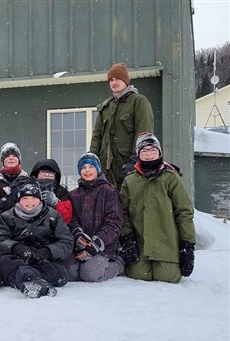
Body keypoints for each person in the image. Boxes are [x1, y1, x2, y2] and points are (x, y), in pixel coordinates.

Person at [119, 133, 195, 283]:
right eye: (144, 151)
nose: (149, 154)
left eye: (152, 150)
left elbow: (184, 212)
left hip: (166, 243)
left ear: (159, 152)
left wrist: (187, 245)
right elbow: (123, 212)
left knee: (168, 276)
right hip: (140, 243)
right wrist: (127, 239)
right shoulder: (130, 180)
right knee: (138, 274)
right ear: (138, 154)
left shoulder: (170, 177)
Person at [0, 181, 72, 298]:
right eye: (25, 198)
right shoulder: (7, 216)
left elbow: (66, 242)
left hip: (42, 258)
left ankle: (11, 277)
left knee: (60, 275)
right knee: (5, 262)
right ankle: (31, 280)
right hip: (16, 258)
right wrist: (15, 248)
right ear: (19, 200)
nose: (29, 202)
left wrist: (48, 252)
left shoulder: (53, 216)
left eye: (33, 198)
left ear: (40, 200)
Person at [90, 62, 154, 188]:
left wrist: (135, 160)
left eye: (118, 78)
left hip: (129, 167)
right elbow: (97, 137)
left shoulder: (138, 101)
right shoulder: (106, 107)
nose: (114, 83)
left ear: (126, 80)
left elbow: (144, 132)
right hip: (106, 170)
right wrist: (91, 160)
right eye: (111, 80)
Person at [64, 153, 123, 282]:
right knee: (69, 273)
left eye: (91, 166)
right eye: (83, 167)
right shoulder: (73, 194)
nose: (87, 170)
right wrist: (78, 234)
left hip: (104, 246)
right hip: (81, 246)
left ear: (98, 169)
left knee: (90, 273)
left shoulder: (109, 191)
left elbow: (114, 223)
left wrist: (97, 242)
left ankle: (118, 264)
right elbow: (71, 220)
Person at [0, 142, 32, 214]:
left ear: (19, 160)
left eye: (14, 156)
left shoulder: (27, 181)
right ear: (2, 161)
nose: (11, 158)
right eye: (7, 156)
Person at [30, 159, 72, 224]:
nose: (47, 174)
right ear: (36, 173)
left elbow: (67, 219)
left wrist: (56, 203)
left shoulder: (62, 192)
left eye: (51, 172)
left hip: (55, 229)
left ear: (56, 175)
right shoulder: (28, 189)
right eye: (43, 171)